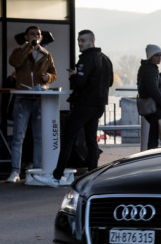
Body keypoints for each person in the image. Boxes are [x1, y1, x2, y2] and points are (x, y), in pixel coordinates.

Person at [42, 29, 113, 186]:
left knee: (68, 138)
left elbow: (79, 84)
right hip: (99, 104)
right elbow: (110, 83)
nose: (79, 44)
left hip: (84, 104)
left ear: (92, 41)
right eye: (78, 40)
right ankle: (93, 175)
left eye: (82, 41)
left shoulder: (86, 59)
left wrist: (73, 76)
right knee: (91, 139)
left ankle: (56, 176)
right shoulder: (106, 59)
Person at [6, 25, 58, 183]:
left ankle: (37, 170)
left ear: (41, 38)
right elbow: (15, 62)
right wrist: (29, 47)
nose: (35, 36)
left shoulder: (46, 54)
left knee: (38, 137)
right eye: (32, 34)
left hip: (40, 97)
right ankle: (15, 171)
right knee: (18, 137)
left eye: (38, 34)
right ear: (26, 37)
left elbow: (54, 73)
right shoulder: (19, 51)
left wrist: (47, 78)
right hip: (23, 97)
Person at [137, 45, 161, 150]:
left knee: (154, 134)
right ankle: (151, 156)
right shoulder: (150, 69)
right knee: (154, 136)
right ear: (151, 56)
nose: (159, 57)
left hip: (152, 106)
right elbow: (153, 89)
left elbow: (152, 82)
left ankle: (151, 155)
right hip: (155, 107)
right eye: (156, 55)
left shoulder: (147, 67)